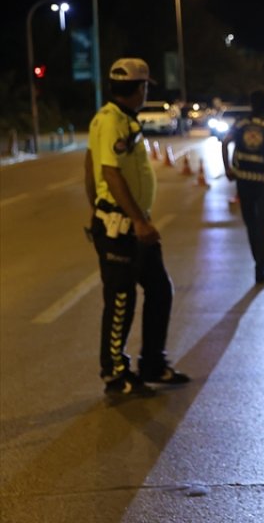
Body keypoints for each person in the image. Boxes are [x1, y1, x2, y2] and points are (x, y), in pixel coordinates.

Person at [84, 57, 190, 398]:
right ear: (139, 88)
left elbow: (91, 167)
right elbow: (109, 173)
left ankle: (152, 364)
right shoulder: (111, 120)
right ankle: (115, 373)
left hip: (131, 224)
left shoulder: (123, 120)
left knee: (159, 289)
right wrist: (134, 219)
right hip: (121, 225)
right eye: (145, 86)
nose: (146, 92)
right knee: (120, 299)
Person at [221, 90, 264, 285]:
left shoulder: (241, 123)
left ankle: (258, 262)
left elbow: (225, 143)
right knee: (263, 226)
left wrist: (228, 169)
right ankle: (261, 267)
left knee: (251, 224)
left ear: (251, 104)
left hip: (244, 181)